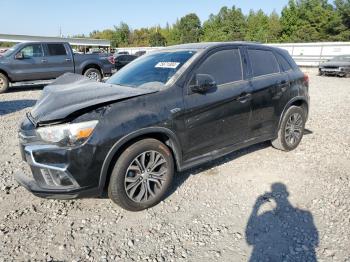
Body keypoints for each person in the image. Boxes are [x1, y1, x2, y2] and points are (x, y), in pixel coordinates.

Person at [245, 183, 319, 262]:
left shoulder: (266, 215)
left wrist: (256, 207)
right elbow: (315, 240)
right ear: (286, 194)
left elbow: (250, 239)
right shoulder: (306, 215)